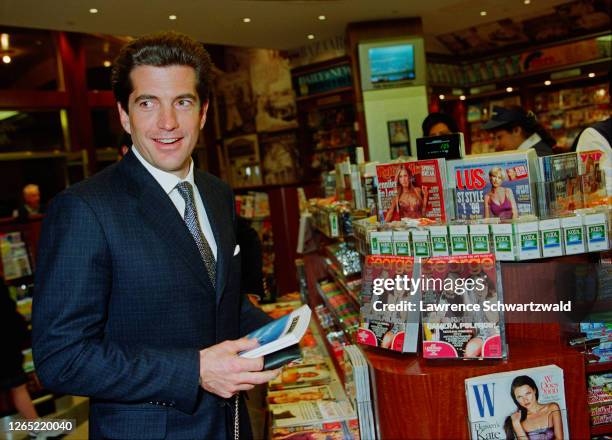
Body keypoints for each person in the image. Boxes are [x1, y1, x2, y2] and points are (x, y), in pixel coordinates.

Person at [32, 32, 280, 440]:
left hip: (231, 426)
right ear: (125, 116)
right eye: (147, 103)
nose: (167, 123)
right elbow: (61, 358)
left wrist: (276, 335)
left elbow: (218, 301)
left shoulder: (217, 193)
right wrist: (194, 371)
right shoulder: (84, 209)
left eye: (182, 102)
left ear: (202, 113)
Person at [504, 375, 564, 440]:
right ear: (515, 399)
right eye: (520, 397)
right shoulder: (519, 420)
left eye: (528, 393)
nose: (525, 400)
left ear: (534, 390)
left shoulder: (553, 408)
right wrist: (516, 423)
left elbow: (560, 438)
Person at [482, 106, 555, 157]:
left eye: (499, 137)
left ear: (516, 131)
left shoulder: (537, 155)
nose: (496, 144)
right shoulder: (532, 152)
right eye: (494, 138)